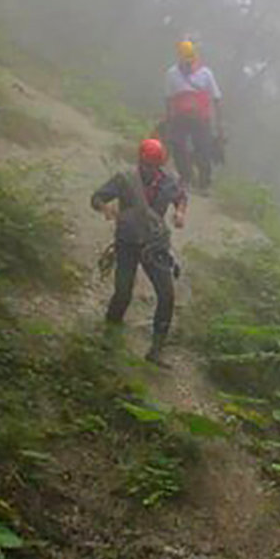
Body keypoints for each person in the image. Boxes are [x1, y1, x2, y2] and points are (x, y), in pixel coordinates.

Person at [91, 138, 187, 366]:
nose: (150, 168)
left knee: (167, 295)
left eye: (154, 164)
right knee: (123, 291)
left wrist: (180, 213)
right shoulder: (125, 179)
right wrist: (106, 208)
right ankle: (109, 336)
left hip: (155, 244)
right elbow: (96, 197)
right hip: (127, 242)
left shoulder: (169, 182)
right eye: (147, 164)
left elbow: (181, 197)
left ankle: (156, 349)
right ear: (140, 160)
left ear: (160, 164)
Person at [164, 40, 223, 191]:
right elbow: (169, 98)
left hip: (201, 118)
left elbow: (216, 98)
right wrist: (168, 118)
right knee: (177, 145)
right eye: (186, 62)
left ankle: (204, 184)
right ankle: (186, 177)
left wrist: (219, 124)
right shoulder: (172, 74)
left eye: (191, 61)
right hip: (180, 117)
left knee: (203, 149)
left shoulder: (206, 74)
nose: (189, 65)